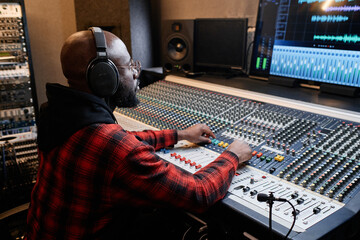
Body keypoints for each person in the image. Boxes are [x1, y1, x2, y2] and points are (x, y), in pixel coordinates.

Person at [25, 27, 252, 240]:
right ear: (104, 76)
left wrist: (180, 134)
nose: (136, 73)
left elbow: (123, 141)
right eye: (129, 65)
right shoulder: (115, 148)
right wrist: (232, 156)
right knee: (172, 218)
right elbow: (198, 194)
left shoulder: (59, 113)